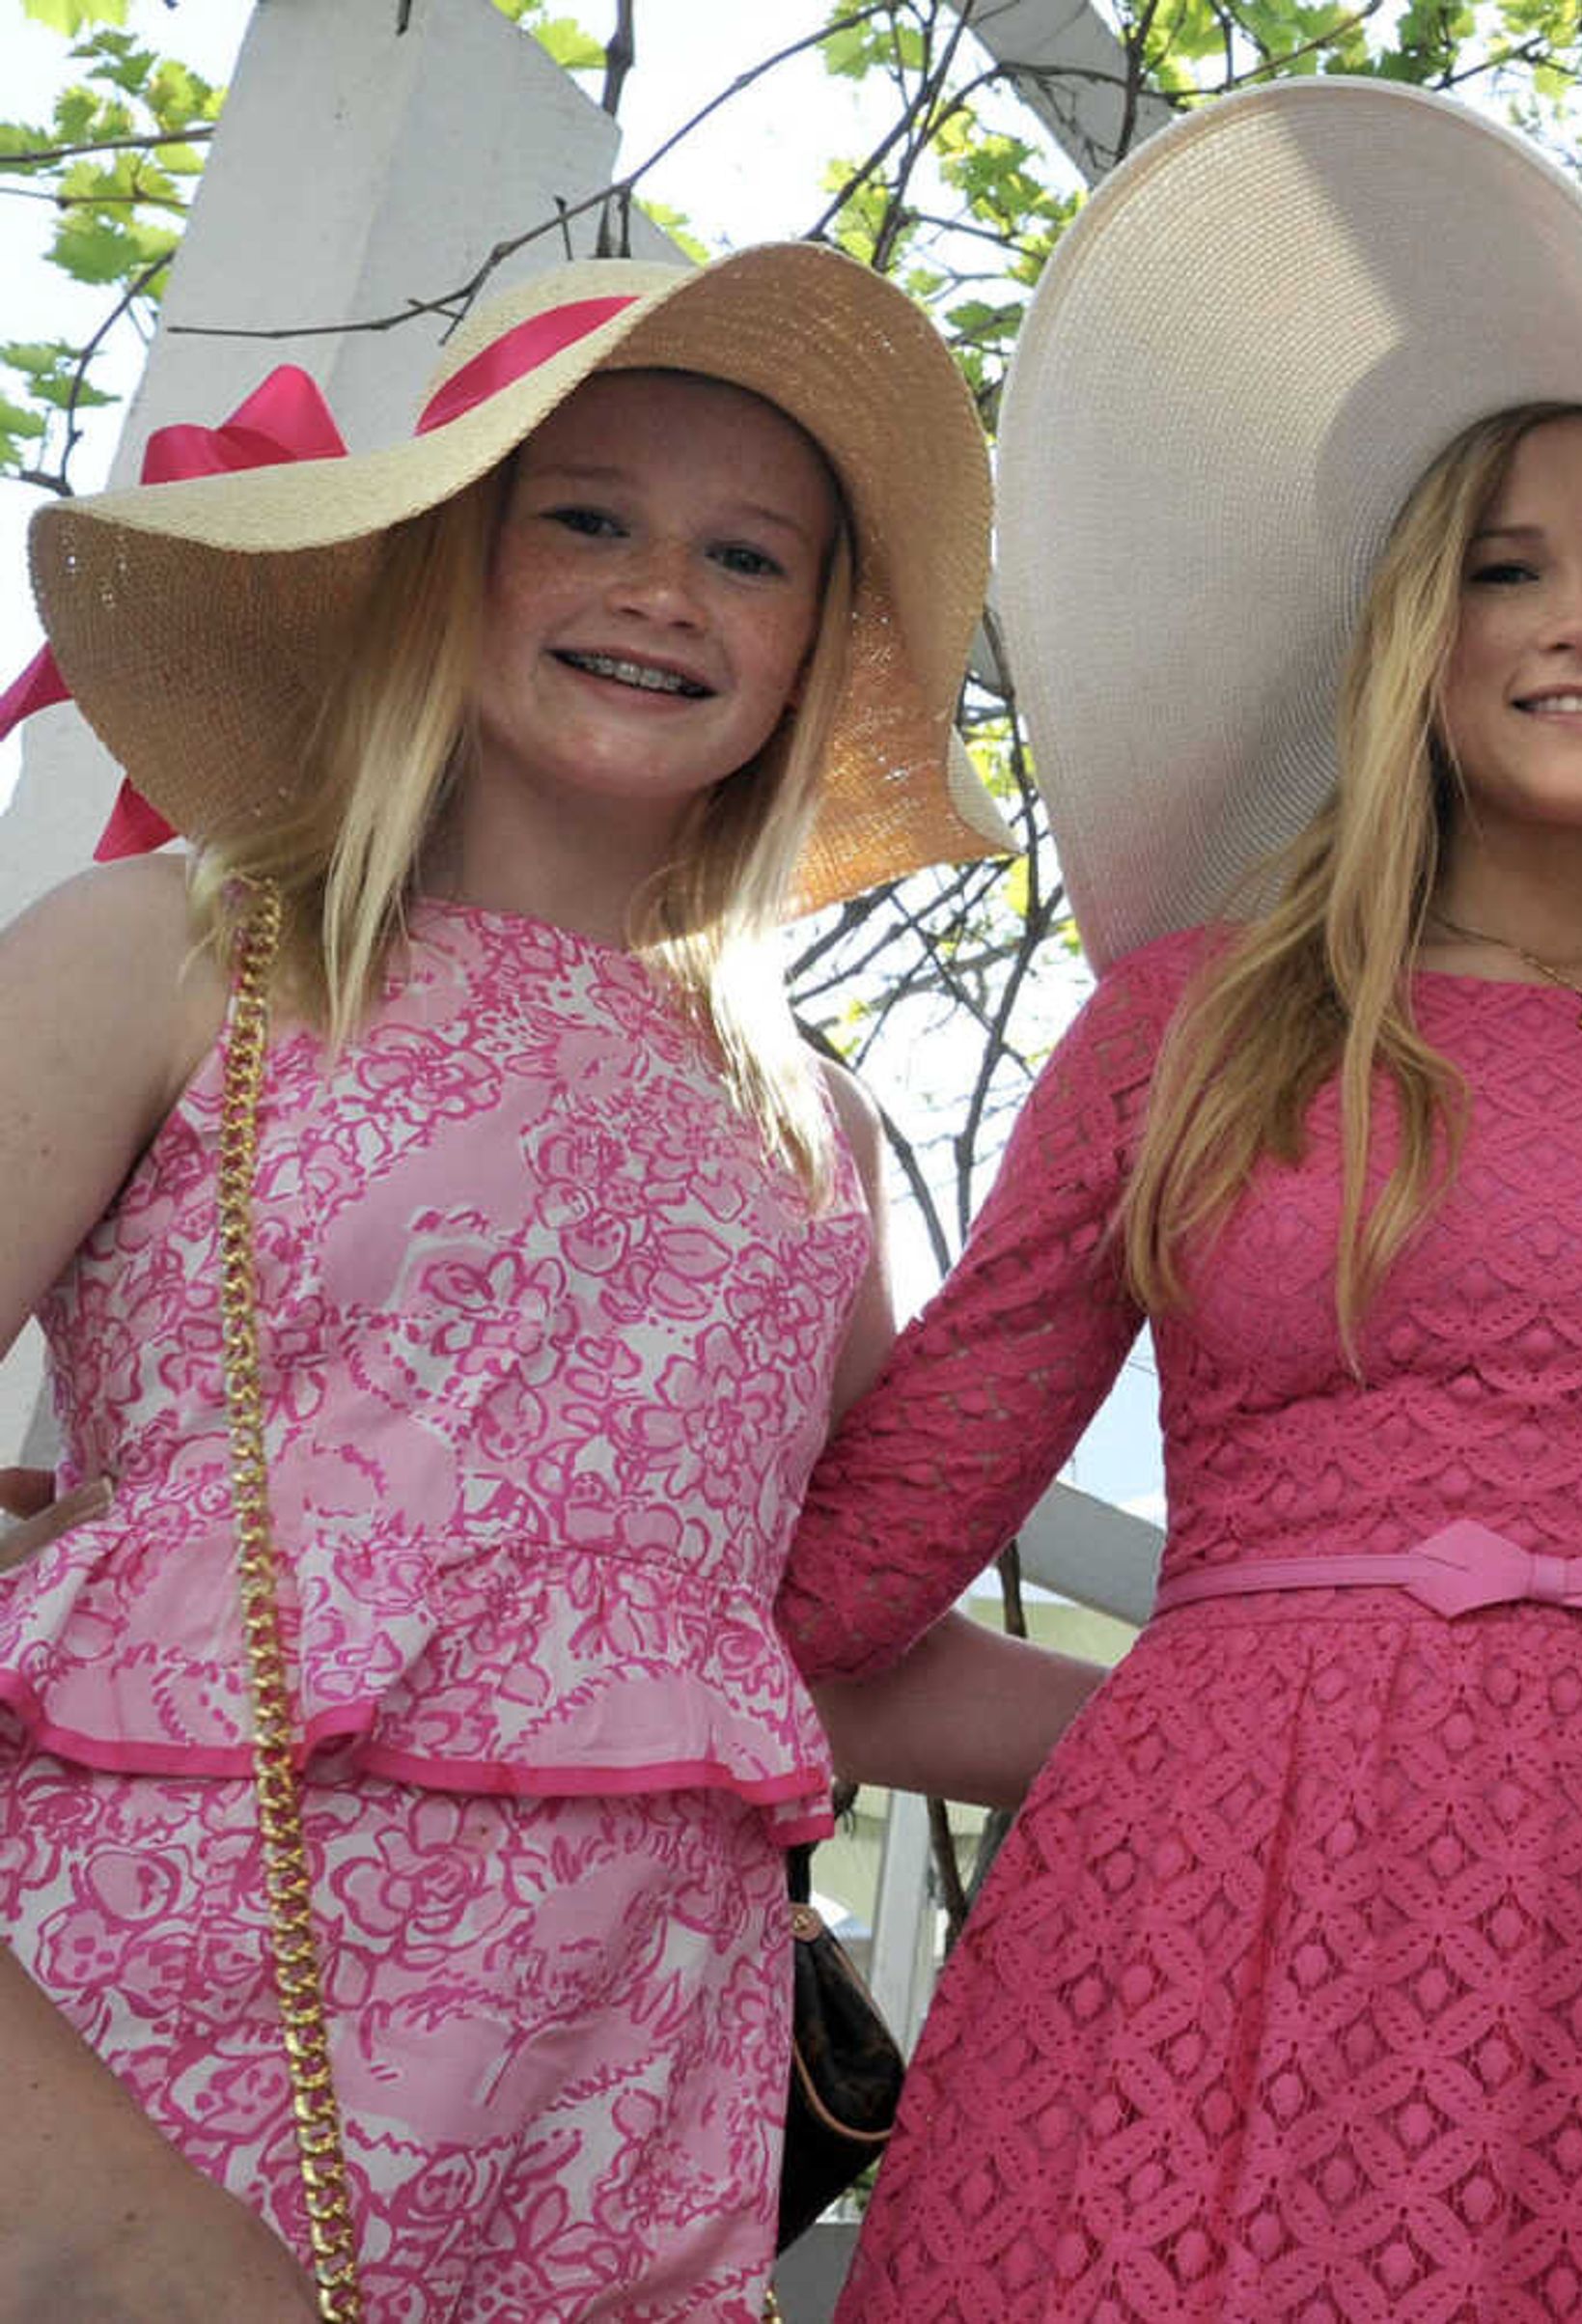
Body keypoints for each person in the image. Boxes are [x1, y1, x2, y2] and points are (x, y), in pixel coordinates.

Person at [767, 81, 1582, 2320]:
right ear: (1411, 634)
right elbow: (872, 1550)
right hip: (1205, 1879)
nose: (1581, 624)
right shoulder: (1192, 1023)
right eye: (1505, 566)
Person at [0, 249, 1090, 2318]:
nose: (664, 585)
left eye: (746, 554)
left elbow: (831, 1640)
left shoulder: (811, 1136)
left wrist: (1255, 1705)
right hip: (141, 2052)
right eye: (584, 514)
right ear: (439, 566)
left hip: (608, 2097)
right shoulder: (177, 947)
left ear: (808, 657)